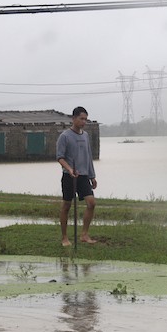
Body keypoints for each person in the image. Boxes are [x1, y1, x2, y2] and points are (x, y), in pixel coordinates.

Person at [56, 106, 98, 247]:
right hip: (69, 176)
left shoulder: (85, 136)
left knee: (91, 203)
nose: (84, 122)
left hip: (84, 176)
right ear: (73, 119)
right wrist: (69, 169)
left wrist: (92, 176)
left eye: (86, 119)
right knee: (66, 206)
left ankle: (84, 234)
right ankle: (64, 238)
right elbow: (60, 157)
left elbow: (88, 157)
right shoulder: (65, 136)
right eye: (81, 119)